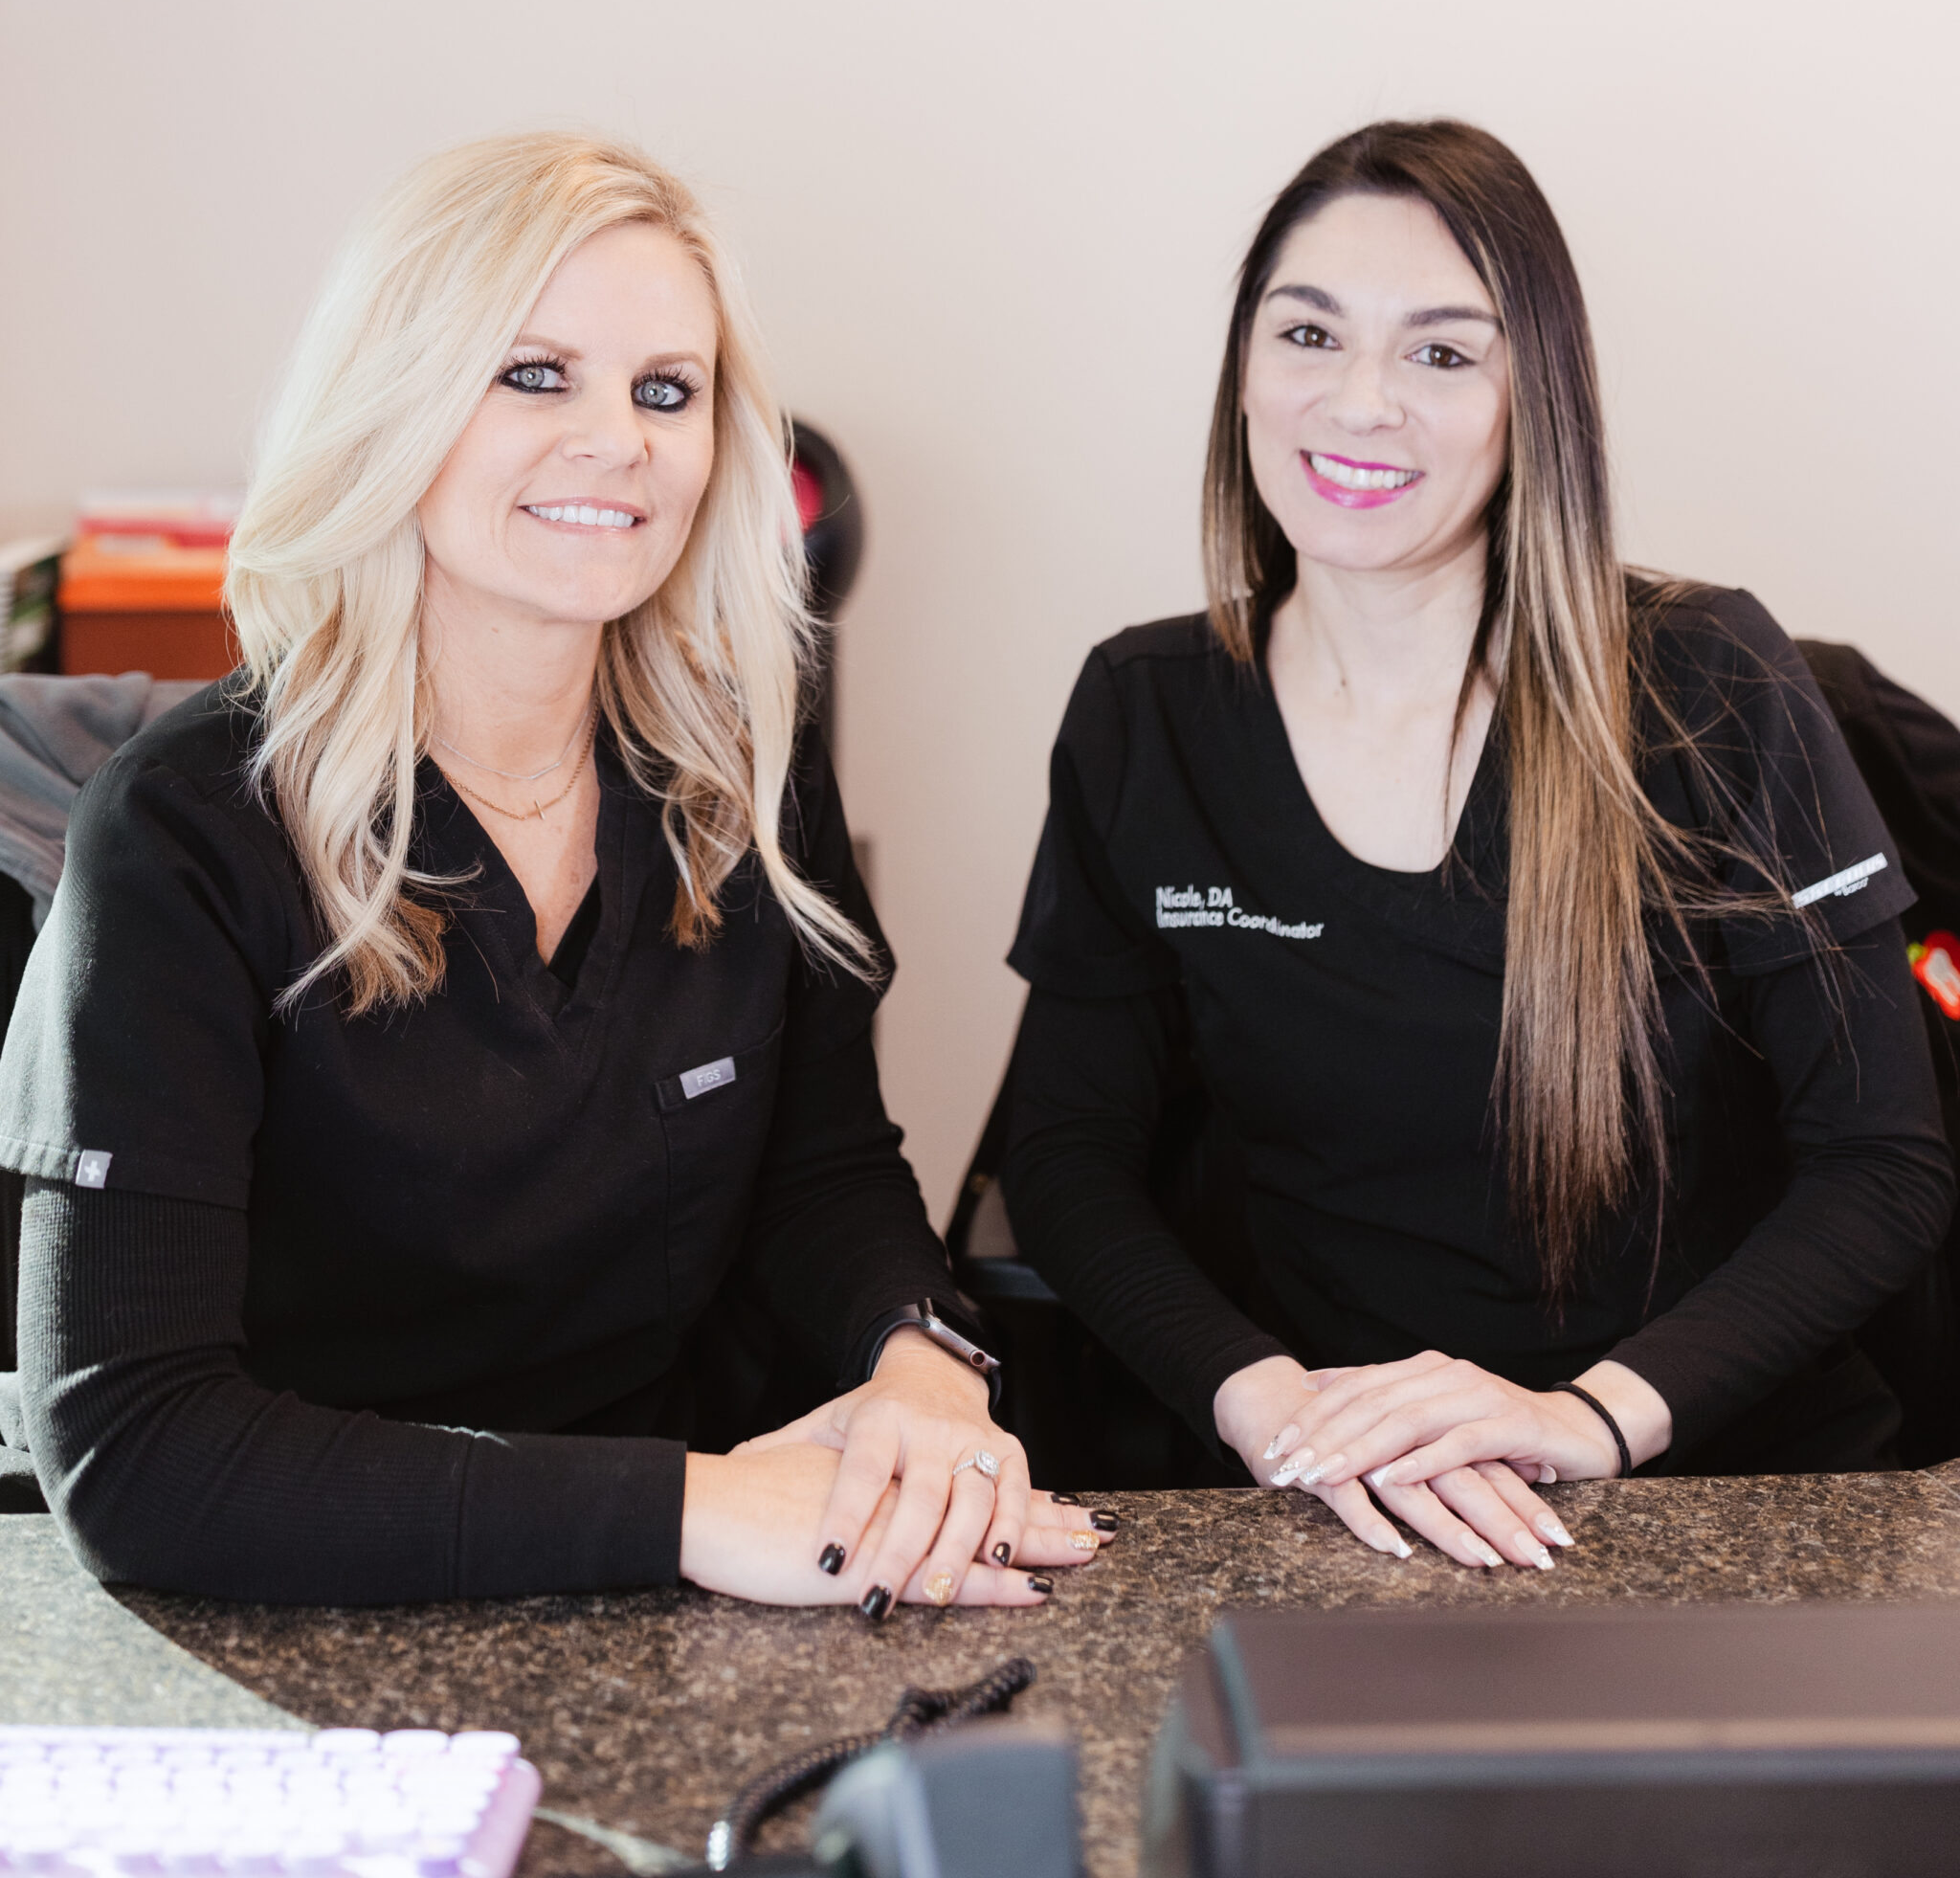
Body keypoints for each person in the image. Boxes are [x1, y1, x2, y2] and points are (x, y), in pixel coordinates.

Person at [0, 133, 1110, 1609]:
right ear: (394, 409)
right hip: (291, 1595)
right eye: (536, 375)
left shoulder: (744, 778)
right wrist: (692, 1511)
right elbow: (136, 1450)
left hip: (659, 1591)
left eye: (668, 390)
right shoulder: (183, 832)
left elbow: (823, 1172)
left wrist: (919, 1356)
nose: (622, 441)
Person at [1000, 119, 1952, 1572]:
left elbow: (1882, 1163)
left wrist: (1590, 1418)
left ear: (1533, 402)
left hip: (1715, 1490)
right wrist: (1274, 1415)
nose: (1359, 402)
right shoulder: (1150, 711)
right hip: (1332, 1499)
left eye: (1442, 354)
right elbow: (1065, 1155)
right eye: (1308, 333)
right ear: (1245, 370)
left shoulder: (1710, 681)